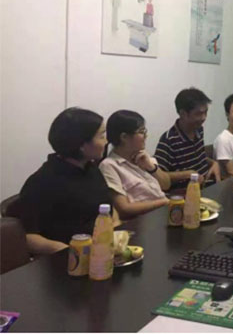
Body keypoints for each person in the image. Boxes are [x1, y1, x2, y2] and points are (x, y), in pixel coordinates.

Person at [19, 108, 112, 254]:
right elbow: (27, 236)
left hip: (101, 250)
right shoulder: (42, 182)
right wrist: (70, 252)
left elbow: (107, 208)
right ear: (82, 145)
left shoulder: (91, 168)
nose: (106, 142)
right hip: (68, 259)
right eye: (101, 136)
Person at [99, 110, 170, 219]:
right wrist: (163, 202)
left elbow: (166, 185)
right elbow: (124, 209)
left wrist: (151, 168)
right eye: (141, 132)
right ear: (124, 137)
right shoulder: (109, 166)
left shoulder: (142, 156)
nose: (146, 136)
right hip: (140, 221)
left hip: (161, 214)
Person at [155, 88, 220, 188]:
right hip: (184, 193)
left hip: (205, 186)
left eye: (205, 112)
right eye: (198, 114)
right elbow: (158, 177)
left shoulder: (199, 129)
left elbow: (198, 158)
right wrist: (186, 174)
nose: (203, 118)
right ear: (183, 114)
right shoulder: (168, 140)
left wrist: (213, 163)